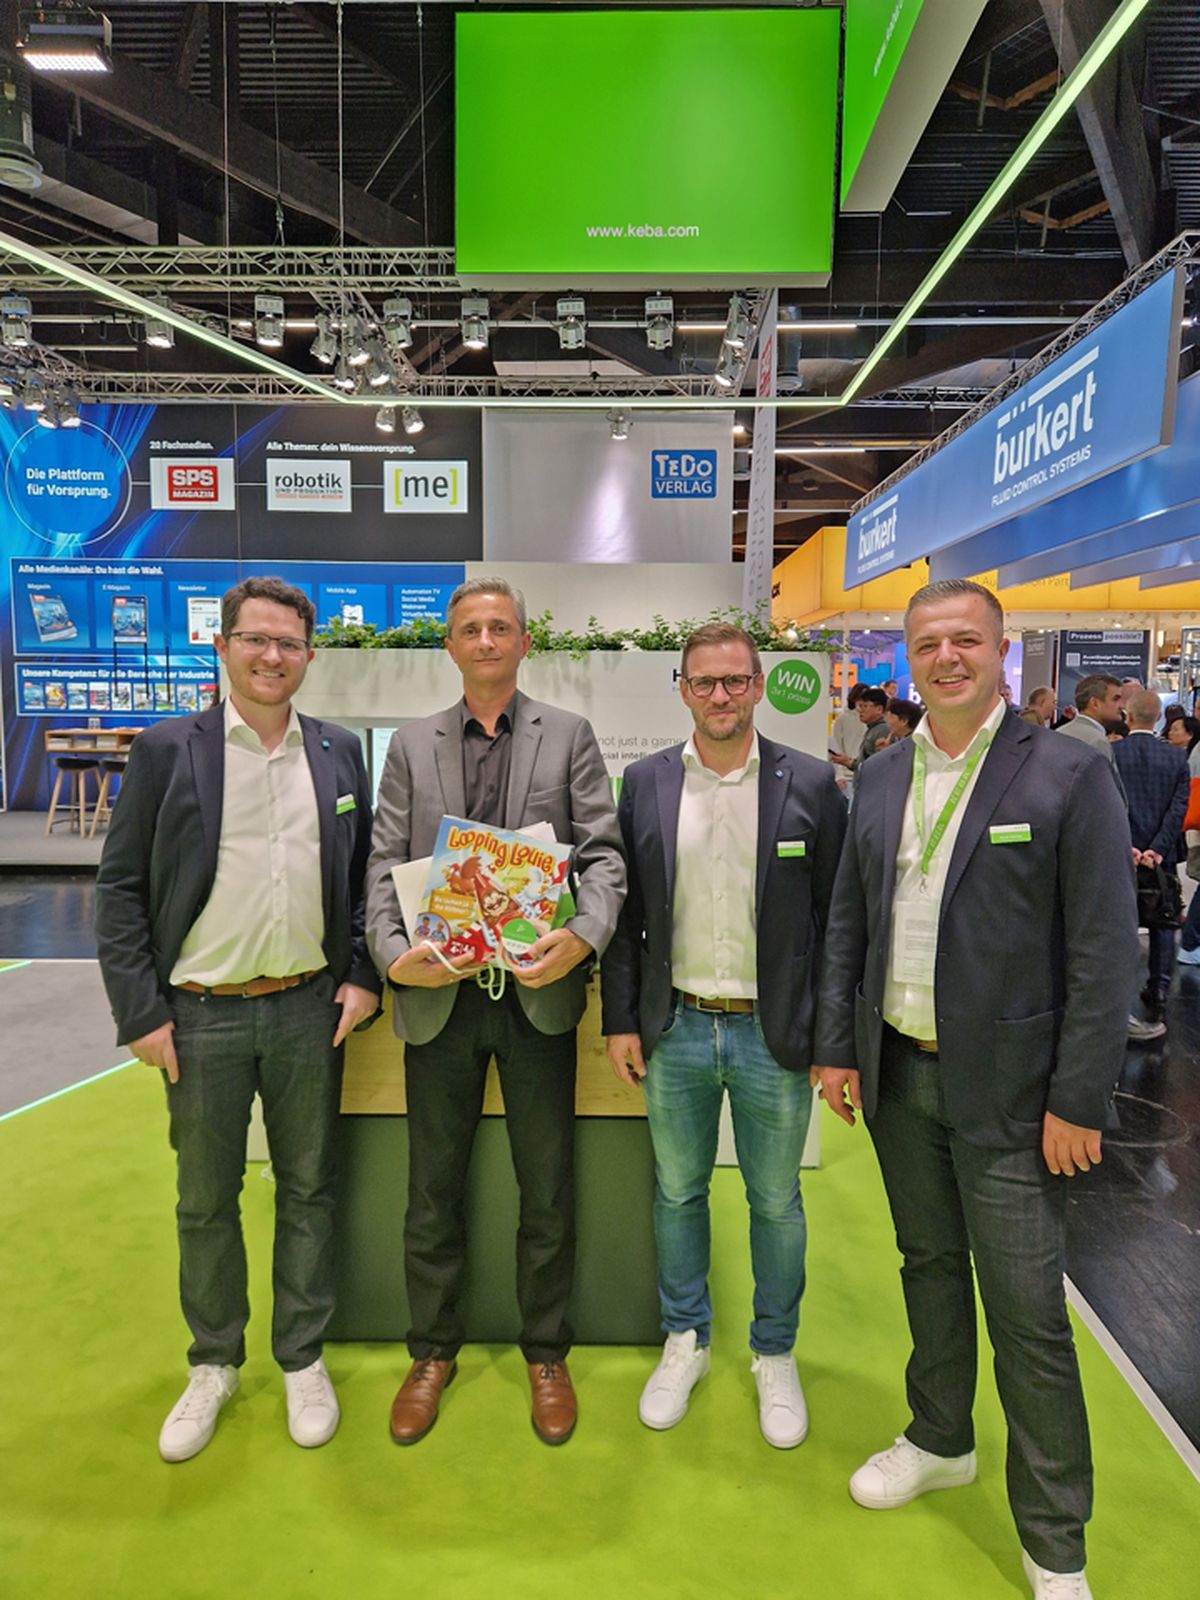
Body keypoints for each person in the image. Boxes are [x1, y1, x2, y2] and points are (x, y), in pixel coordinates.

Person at [813, 578, 1137, 1600]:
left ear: (1001, 650)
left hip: (1014, 1095)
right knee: (927, 1267)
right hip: (899, 1073)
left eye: (965, 640)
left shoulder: (1067, 773)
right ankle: (939, 1436)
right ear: (908, 659)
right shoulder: (881, 773)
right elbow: (848, 923)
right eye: (927, 643)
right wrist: (837, 1046)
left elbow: (1104, 950)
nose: (946, 657)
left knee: (1029, 1316)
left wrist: (1078, 1097)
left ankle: (1055, 1542)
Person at [94, 576, 381, 1463]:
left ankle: (301, 1357)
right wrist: (140, 1011)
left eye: (288, 643)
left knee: (309, 1189)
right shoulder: (164, 750)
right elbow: (120, 889)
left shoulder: (337, 752)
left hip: (307, 1011)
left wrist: (362, 975)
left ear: (308, 655)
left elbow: (364, 878)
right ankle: (214, 1361)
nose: (271, 656)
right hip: (199, 1016)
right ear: (221, 647)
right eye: (254, 639)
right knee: (205, 1199)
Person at [365, 577, 625, 1447]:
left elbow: (604, 858)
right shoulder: (411, 745)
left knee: (546, 1190)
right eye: (470, 628)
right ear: (450, 645)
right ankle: (431, 1352)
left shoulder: (570, 735)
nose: (485, 640)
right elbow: (382, 863)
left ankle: (546, 1354)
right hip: (438, 998)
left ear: (523, 642)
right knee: (431, 1192)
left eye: (500, 627)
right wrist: (392, 956)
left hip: (538, 999)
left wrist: (583, 937)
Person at [601, 624, 846, 1448]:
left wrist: (831, 1039)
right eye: (703, 682)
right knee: (678, 1192)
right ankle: (686, 1339)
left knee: (775, 1201)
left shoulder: (811, 782)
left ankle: (774, 1351)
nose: (719, 696)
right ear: (681, 689)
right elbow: (628, 916)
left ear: (759, 686)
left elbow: (836, 922)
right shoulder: (645, 782)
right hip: (675, 1028)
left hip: (774, 1036)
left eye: (735, 681)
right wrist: (621, 1020)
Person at [1115, 690, 1189, 1037]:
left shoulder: (1112, 755)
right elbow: (1178, 809)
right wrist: (1157, 849)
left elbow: (1111, 804)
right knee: (1163, 920)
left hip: (1120, 854)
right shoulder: (1176, 758)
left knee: (1119, 922)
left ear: (1127, 716)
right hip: (1162, 859)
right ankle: (1158, 987)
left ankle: (1118, 991)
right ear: (1159, 718)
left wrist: (1127, 845)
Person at [1055, 674, 1125, 786]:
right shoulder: (1098, 742)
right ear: (1095, 703)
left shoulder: (1059, 733)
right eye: (1116, 699)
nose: (1122, 705)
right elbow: (1101, 790)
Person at [831, 686, 890, 773]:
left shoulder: (882, 730)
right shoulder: (872, 729)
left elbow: (876, 766)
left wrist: (850, 763)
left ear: (879, 709)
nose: (860, 710)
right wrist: (849, 761)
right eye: (860, 706)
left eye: (865, 706)